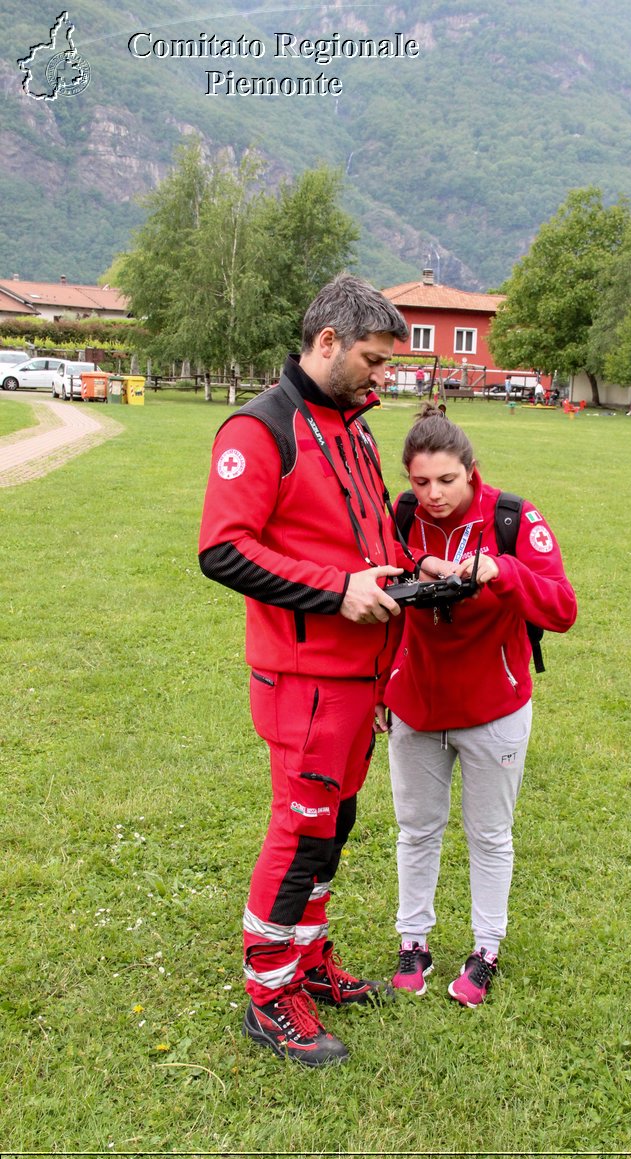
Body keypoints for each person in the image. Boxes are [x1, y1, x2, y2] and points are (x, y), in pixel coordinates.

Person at [198, 274, 410, 1067]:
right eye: (373, 359)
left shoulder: (354, 429)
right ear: (326, 343)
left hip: (362, 677)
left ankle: (309, 959)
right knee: (300, 831)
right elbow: (222, 548)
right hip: (305, 682)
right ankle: (268, 992)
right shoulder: (259, 430)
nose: (383, 375)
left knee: (335, 825)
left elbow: (362, 540)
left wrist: (409, 572)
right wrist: (337, 589)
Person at [376, 406, 577, 1007]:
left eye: (446, 481)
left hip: (495, 705)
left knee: (490, 835)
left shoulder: (513, 517)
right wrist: (379, 683)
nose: (432, 495)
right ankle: (414, 941)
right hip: (415, 702)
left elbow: (562, 610)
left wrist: (501, 570)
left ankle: (485, 948)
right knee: (417, 830)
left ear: (472, 472)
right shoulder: (401, 515)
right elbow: (376, 593)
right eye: (419, 482)